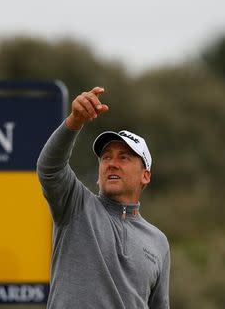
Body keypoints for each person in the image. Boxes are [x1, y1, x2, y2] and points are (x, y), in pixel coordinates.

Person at [37, 87, 170, 308]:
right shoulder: (76, 205)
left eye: (124, 157)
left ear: (145, 175)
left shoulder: (158, 241)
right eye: (105, 157)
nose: (111, 163)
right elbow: (49, 169)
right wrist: (74, 122)